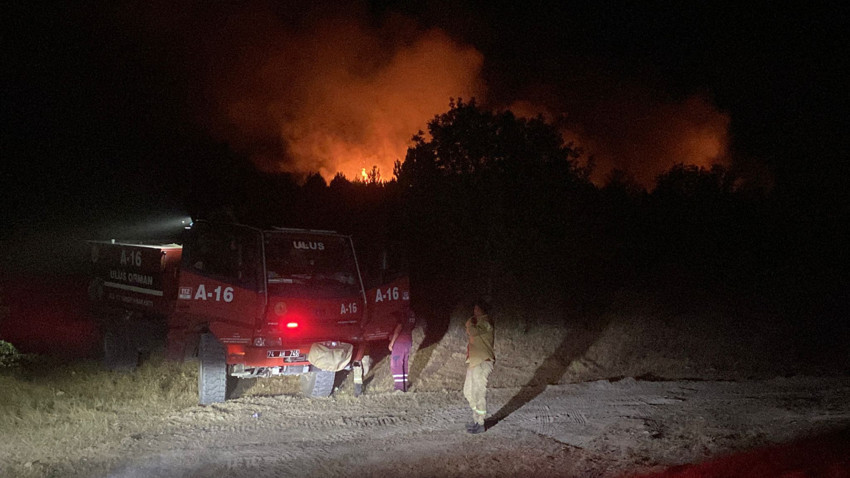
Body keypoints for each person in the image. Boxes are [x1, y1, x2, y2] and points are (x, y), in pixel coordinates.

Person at [463, 298, 495, 434]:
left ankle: (480, 423)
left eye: (477, 308)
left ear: (483, 309)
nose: (474, 311)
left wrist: (469, 323)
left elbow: (473, 332)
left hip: (483, 361)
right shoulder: (477, 323)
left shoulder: (486, 322)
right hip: (474, 361)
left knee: (478, 392)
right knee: (468, 391)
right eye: (474, 308)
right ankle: (476, 420)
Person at [388, 307, 416, 392]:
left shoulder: (401, 313)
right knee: (404, 363)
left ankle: (399, 388)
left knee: (396, 363)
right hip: (408, 341)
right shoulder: (411, 314)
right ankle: (404, 386)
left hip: (400, 341)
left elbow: (399, 327)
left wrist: (392, 342)